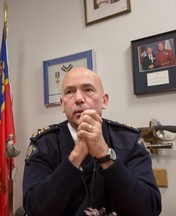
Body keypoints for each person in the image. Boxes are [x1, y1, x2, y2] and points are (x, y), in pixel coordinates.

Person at [23, 67, 161, 216]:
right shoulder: (43, 144)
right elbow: (35, 210)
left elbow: (148, 209)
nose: (79, 98)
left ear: (104, 100)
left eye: (88, 89)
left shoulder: (129, 140)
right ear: (62, 104)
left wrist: (104, 154)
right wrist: (75, 157)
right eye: (70, 92)